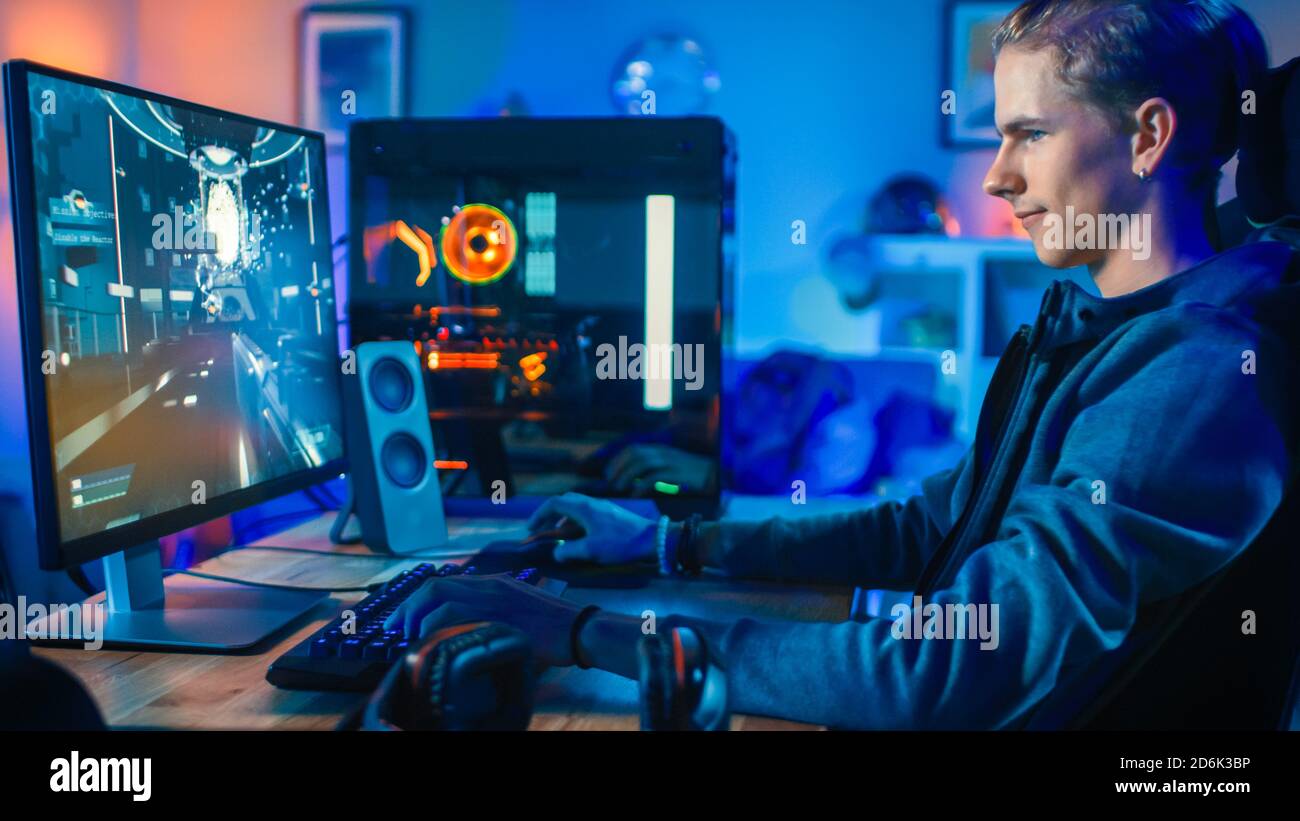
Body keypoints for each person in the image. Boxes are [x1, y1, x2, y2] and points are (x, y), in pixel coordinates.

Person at [388, 0, 1299, 728]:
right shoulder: (1089, 323)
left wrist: (576, 631)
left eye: (1030, 135)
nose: (995, 177)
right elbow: (930, 529)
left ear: (1148, 137)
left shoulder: (1199, 376)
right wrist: (667, 544)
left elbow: (939, 672)